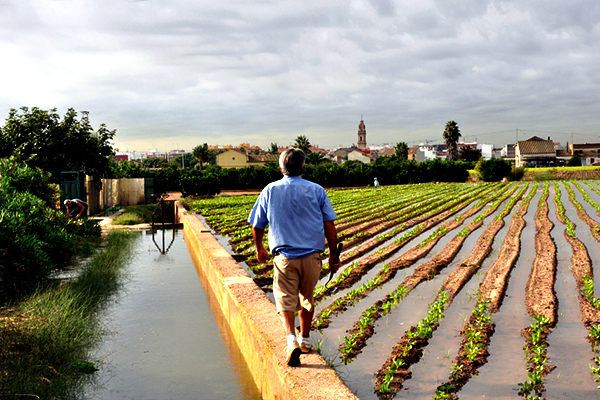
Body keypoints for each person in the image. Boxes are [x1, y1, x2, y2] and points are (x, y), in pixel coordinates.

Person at [248, 148, 339, 367]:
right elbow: (329, 225)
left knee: (284, 300)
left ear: (281, 168)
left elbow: (257, 224)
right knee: (307, 298)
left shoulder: (270, 190)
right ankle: (305, 340)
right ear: (303, 167)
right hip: (312, 257)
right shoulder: (317, 190)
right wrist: (334, 254)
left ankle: (291, 339)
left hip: (285, 258)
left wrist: (259, 247)